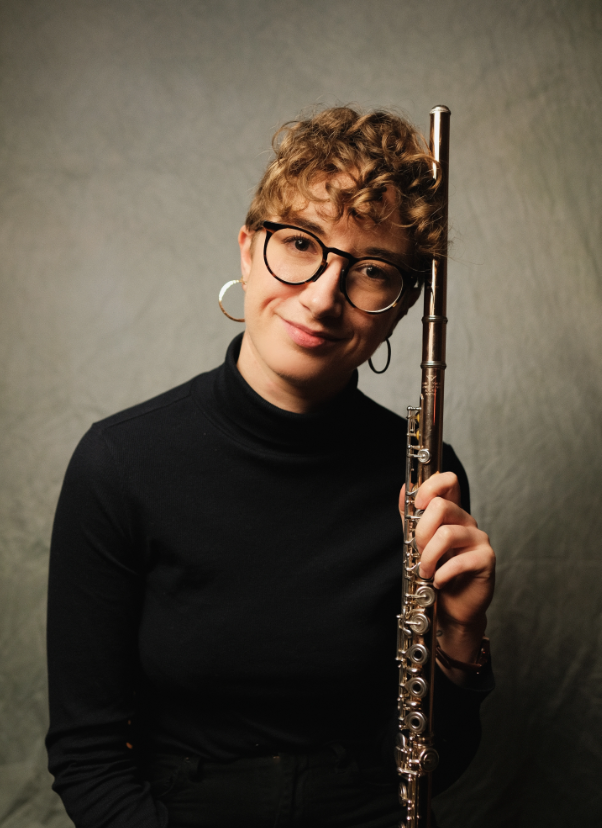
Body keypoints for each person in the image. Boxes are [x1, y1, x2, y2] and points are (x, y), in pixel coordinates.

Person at [46, 106, 495, 828]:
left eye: (370, 270)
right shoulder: (119, 464)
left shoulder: (425, 477)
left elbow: (427, 768)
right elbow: (89, 761)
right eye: (301, 243)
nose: (322, 297)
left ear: (402, 306)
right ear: (249, 250)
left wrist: (460, 640)